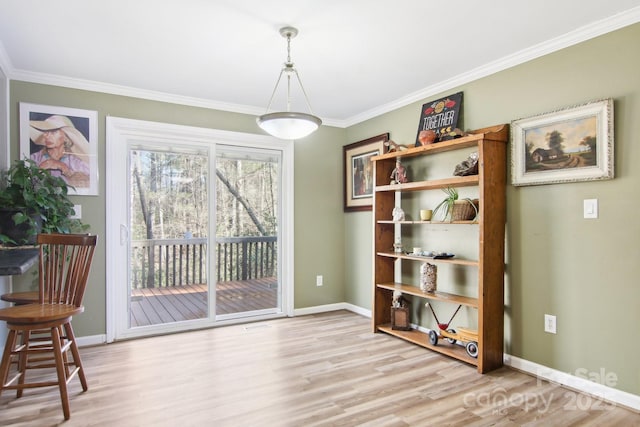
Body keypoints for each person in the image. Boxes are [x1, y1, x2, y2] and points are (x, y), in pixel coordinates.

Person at [29, 115, 90, 187]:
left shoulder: (77, 162)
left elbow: (90, 185)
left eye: (53, 132)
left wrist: (65, 169)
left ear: (66, 137)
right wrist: (41, 168)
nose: (47, 136)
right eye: (45, 132)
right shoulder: (33, 159)